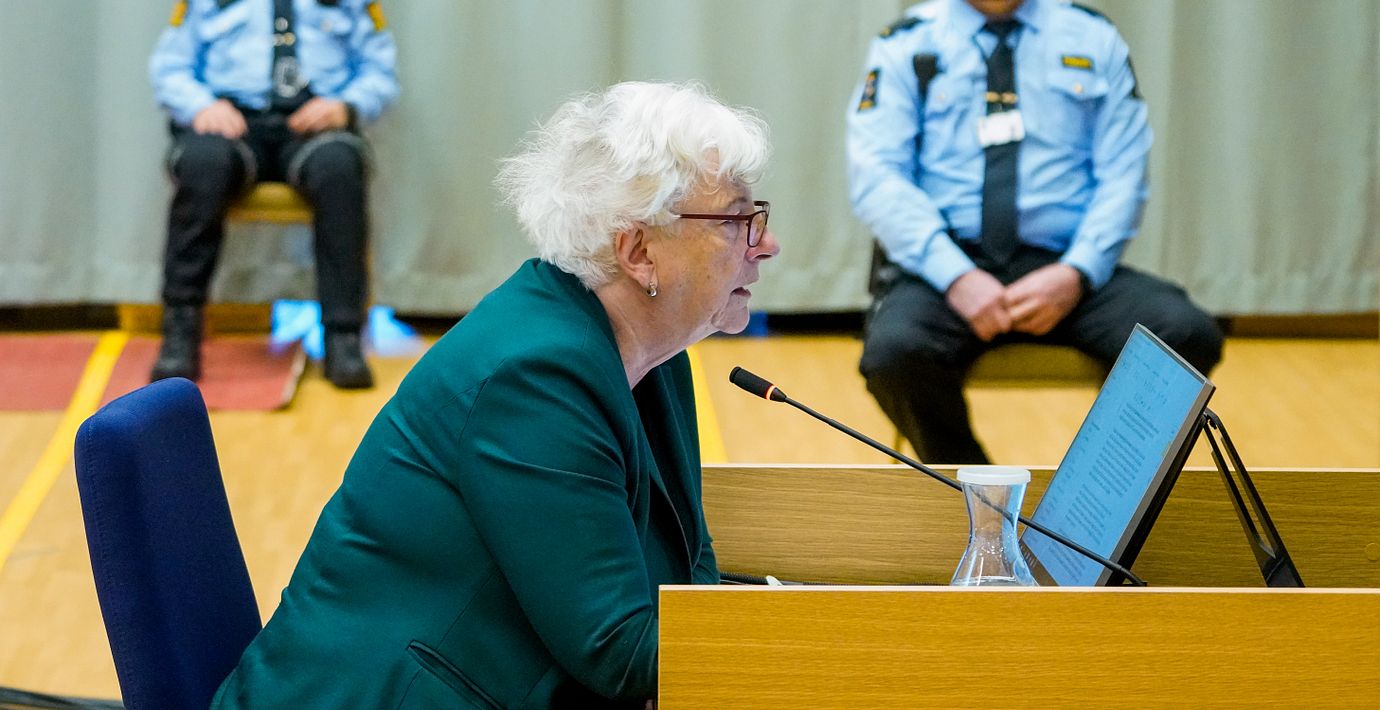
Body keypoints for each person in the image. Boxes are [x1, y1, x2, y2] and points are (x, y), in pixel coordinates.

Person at [210, 82, 778, 708]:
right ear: (638, 251)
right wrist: (812, 645)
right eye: (736, 222)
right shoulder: (535, 376)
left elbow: (689, 555)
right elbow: (620, 651)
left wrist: (747, 628)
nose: (766, 245)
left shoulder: (653, 350)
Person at [847, 0, 1223, 464]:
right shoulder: (906, 43)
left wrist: (1077, 271)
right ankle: (975, 491)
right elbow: (878, 177)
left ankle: (1095, 493)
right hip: (948, 267)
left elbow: (1124, 173)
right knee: (895, 354)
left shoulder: (1091, 36)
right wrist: (956, 276)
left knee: (1184, 335)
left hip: (1065, 267)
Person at [148, 0, 399, 388]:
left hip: (313, 124)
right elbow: (170, 67)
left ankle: (343, 335)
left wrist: (346, 107)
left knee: (339, 169)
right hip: (233, 122)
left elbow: (380, 72)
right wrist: (201, 107)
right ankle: (180, 327)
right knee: (202, 165)